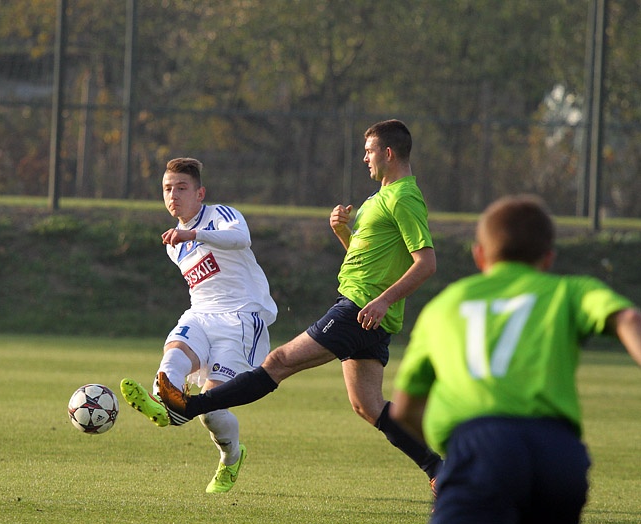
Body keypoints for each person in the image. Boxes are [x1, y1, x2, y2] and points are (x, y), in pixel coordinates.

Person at [129, 120, 443, 492]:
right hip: (369, 314)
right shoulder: (379, 197)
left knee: (277, 363)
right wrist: (345, 234)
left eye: (370, 151)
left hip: (360, 310)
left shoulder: (403, 196)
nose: (365, 159)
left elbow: (426, 262)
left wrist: (383, 300)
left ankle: (187, 407)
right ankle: (441, 471)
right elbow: (373, 259)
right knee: (367, 406)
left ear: (388, 153)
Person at [390, 196, 641, 524]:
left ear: (480, 255)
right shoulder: (569, 289)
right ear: (547, 257)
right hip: (560, 456)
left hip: (483, 446)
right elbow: (628, 318)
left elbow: (403, 408)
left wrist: (458, 450)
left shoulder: (446, 305)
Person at [120, 157, 277, 493]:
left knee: (212, 410)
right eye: (167, 189)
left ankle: (232, 456)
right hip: (201, 314)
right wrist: (185, 236)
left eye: (181, 188)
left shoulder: (221, 215)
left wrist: (193, 233)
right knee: (173, 357)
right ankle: (163, 406)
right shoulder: (174, 244)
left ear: (200, 193)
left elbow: (241, 239)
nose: (173, 195)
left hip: (242, 318)